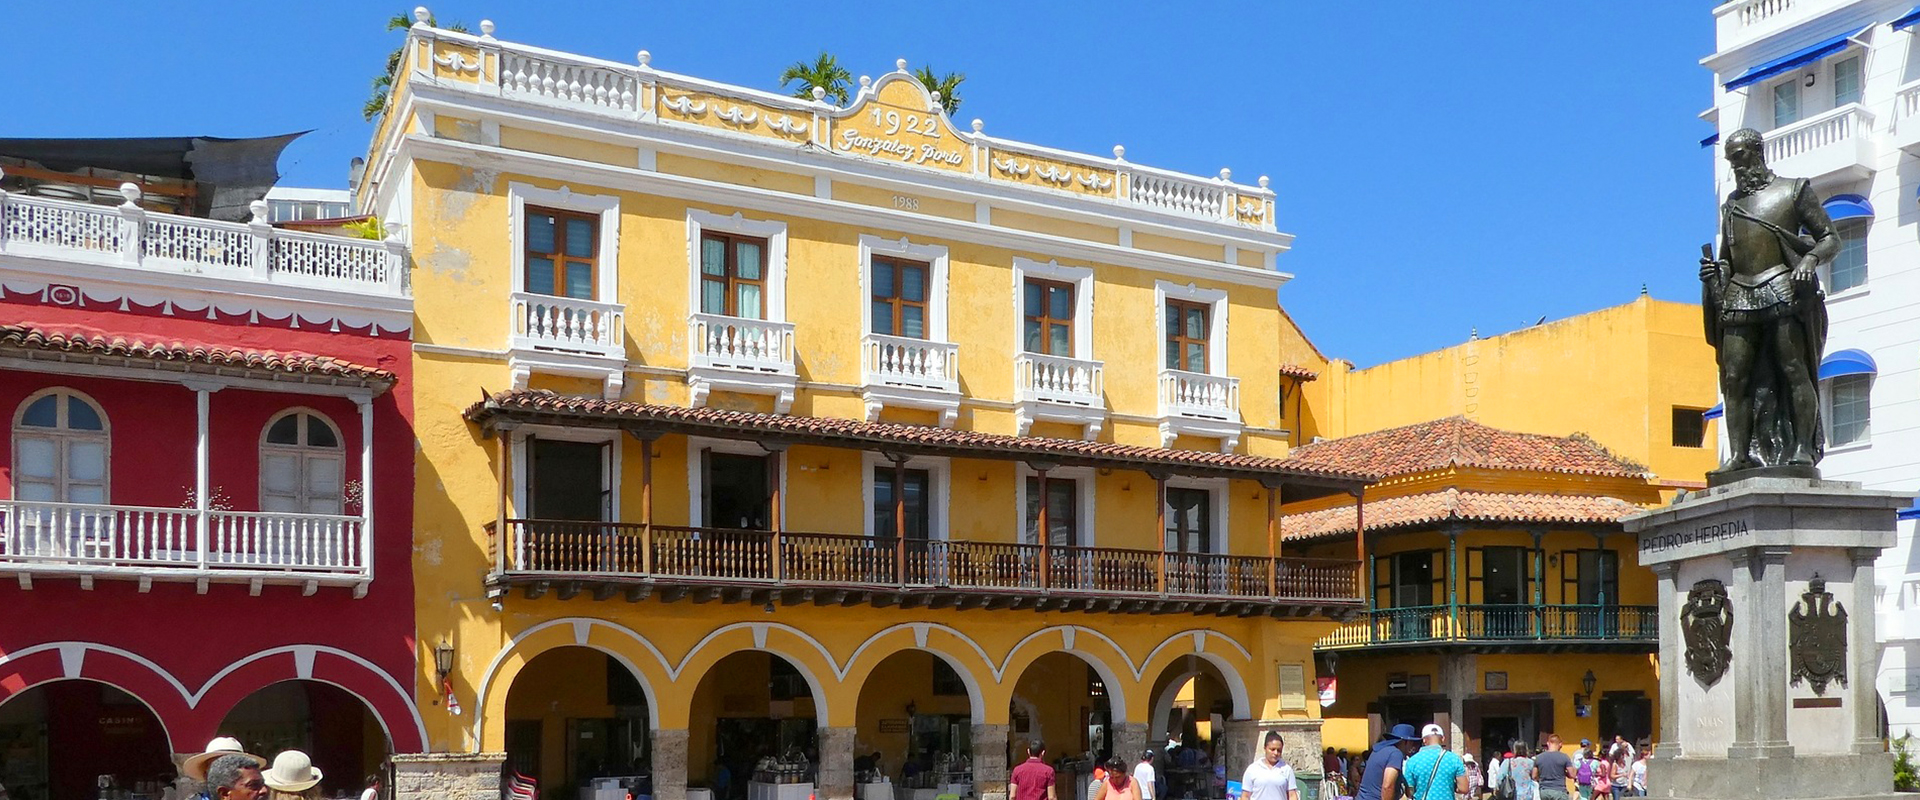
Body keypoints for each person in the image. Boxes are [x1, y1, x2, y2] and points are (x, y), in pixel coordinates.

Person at [1700, 126, 1835, 474]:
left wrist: (1809, 260)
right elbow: (1729, 254)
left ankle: (1803, 448)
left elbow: (1829, 238)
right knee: (1734, 377)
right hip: (1739, 293)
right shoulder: (1732, 204)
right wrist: (1715, 271)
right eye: (1731, 160)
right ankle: (1741, 455)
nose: (1735, 166)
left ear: (1756, 152)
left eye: (1740, 157)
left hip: (1782, 287)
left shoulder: (1794, 190)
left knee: (1794, 369)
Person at [1402, 725, 1466, 800]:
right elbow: (1464, 788)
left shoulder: (1412, 761)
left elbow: (1409, 791)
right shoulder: (1454, 759)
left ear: (1424, 740)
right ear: (1443, 739)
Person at [1356, 724, 1419, 800]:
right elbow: (1388, 786)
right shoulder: (1395, 753)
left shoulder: (1379, 750)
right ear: (1405, 742)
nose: (1412, 746)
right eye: (1412, 742)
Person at [1240, 731, 1298, 800]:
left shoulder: (1286, 769)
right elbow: (1245, 796)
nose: (1276, 753)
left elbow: (1292, 795)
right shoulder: (1252, 769)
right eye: (1272, 749)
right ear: (1265, 748)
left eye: (1279, 750)